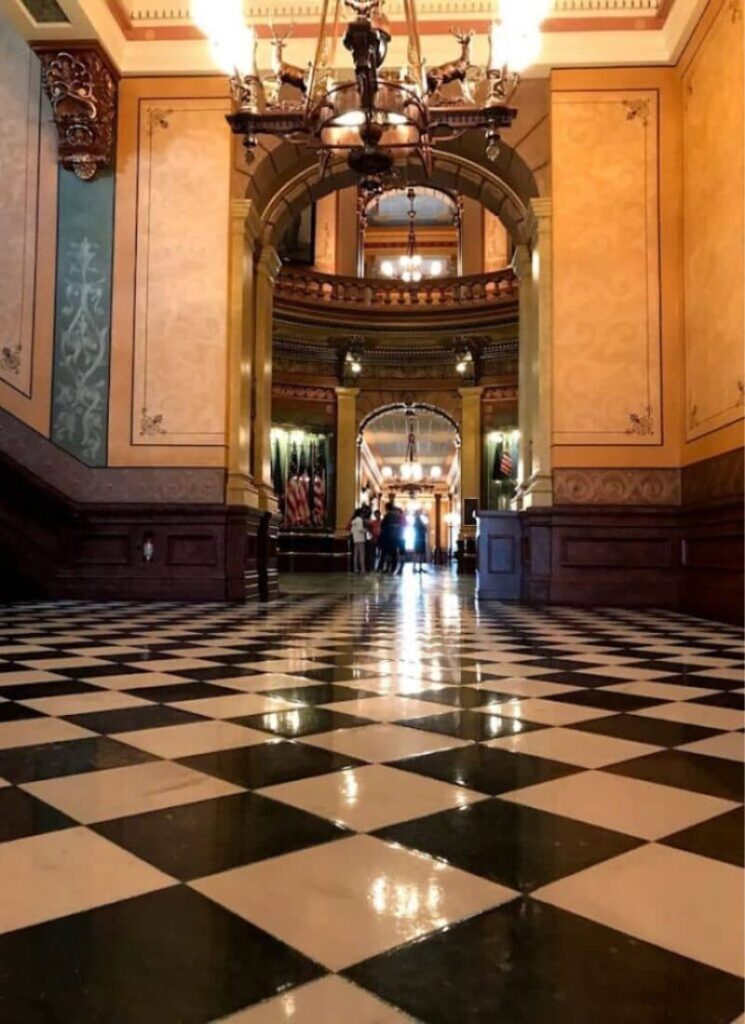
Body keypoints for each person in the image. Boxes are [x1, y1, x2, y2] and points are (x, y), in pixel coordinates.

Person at [380, 502, 398, 574]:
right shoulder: (396, 516)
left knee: (388, 553)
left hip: (388, 537)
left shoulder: (387, 516)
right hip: (394, 537)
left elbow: (383, 526)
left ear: (387, 508)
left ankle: (388, 568)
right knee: (393, 553)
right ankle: (392, 568)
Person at [350, 508, 367, 574]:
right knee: (362, 554)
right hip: (361, 539)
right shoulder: (360, 520)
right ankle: (362, 569)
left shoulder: (354, 520)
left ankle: (355, 569)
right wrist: (365, 530)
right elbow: (360, 529)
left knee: (356, 554)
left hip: (355, 539)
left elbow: (351, 530)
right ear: (360, 514)